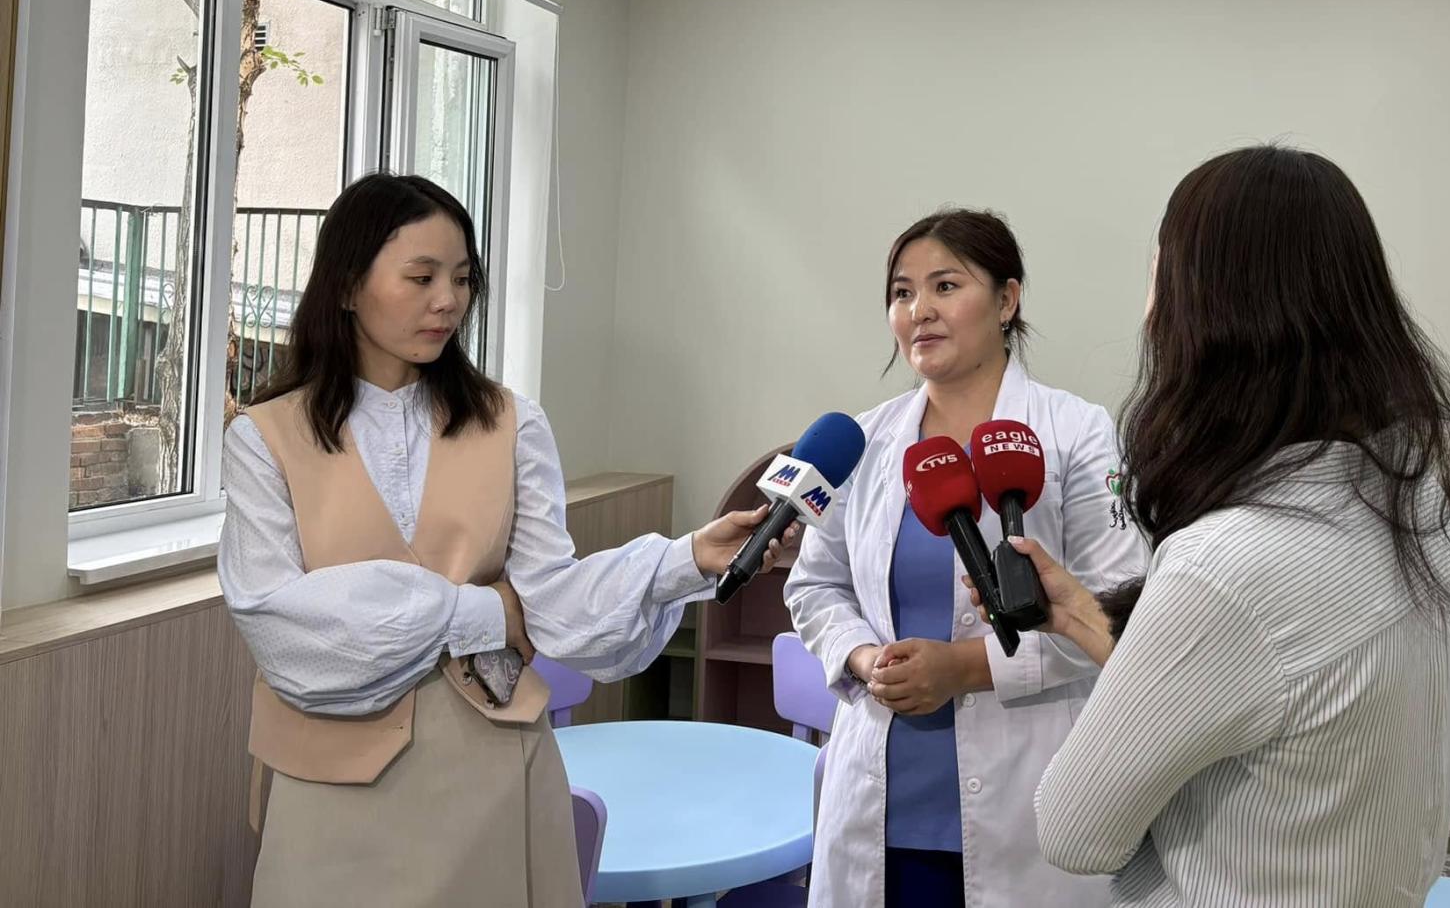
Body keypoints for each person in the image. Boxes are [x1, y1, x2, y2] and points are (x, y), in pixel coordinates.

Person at [219, 173, 788, 908]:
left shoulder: (511, 422)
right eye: (422, 277)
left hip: (492, 772)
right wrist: (486, 611)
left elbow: (552, 601)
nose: (448, 300)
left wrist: (686, 560)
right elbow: (282, 625)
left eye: (462, 279)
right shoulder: (263, 439)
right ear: (349, 285)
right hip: (327, 788)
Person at [979, 147, 1450, 906]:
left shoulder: (1225, 567)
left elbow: (1075, 832)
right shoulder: (1422, 511)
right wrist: (1082, 614)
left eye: (1158, 277)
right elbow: (1265, 692)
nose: (1149, 311)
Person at [786, 208, 1147, 908]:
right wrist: (865, 658)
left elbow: (1113, 607)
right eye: (902, 292)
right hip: (881, 804)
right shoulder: (865, 441)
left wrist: (963, 668)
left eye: (945, 286)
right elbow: (816, 585)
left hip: (1026, 795)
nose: (919, 310)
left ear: (1007, 301)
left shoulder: (1077, 432)